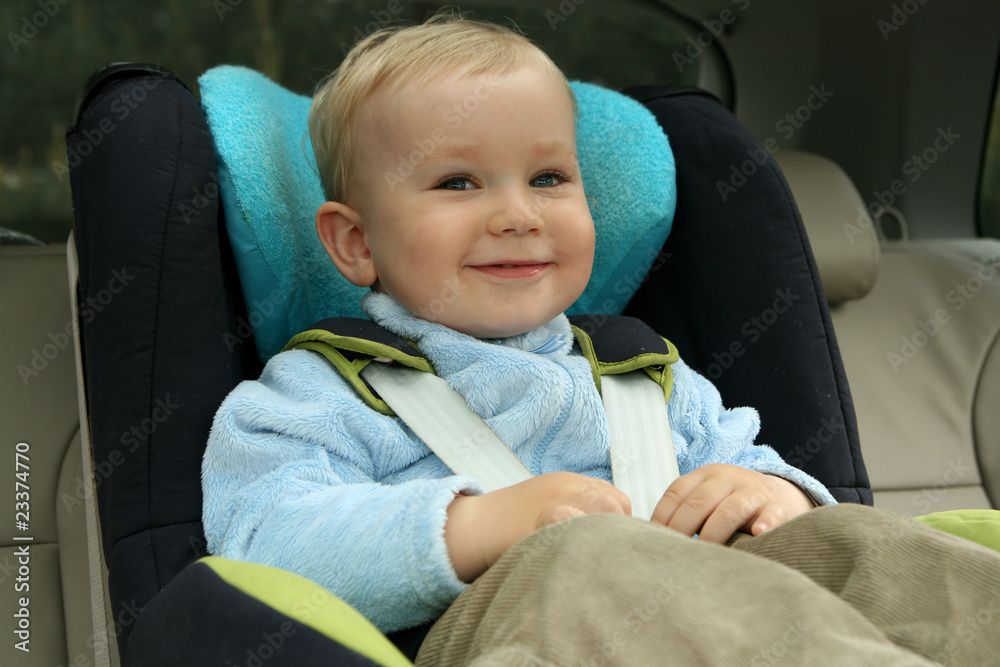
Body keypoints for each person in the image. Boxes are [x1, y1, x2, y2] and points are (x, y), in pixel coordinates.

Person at [202, 13, 1000, 666]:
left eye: (548, 178)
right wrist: (475, 526)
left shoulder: (645, 373)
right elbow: (264, 543)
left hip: (721, 615)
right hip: (501, 626)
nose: (519, 214)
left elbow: (745, 461)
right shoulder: (321, 389)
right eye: (457, 182)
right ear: (354, 242)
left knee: (849, 538)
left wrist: (771, 493)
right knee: (589, 555)